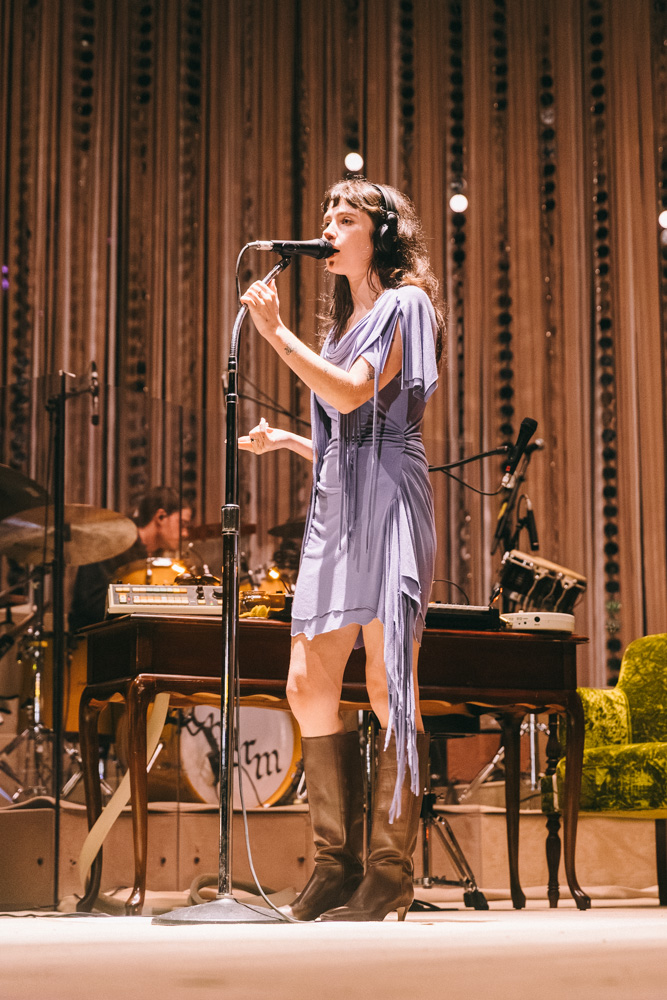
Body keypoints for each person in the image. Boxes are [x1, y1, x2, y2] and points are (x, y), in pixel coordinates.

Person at [239, 178, 445, 922]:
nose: (326, 224)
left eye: (344, 215)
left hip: (389, 495)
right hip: (336, 503)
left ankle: (388, 872)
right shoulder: (340, 327)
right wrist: (293, 440)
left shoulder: (404, 303)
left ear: (379, 232)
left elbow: (358, 397)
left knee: (388, 681)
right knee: (305, 683)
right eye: (324, 212)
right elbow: (338, 424)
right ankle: (336, 864)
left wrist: (274, 335)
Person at [69, 486, 192, 632]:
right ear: (160, 517)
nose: (185, 533)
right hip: (97, 640)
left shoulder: (157, 558)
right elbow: (88, 604)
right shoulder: (113, 544)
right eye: (182, 524)